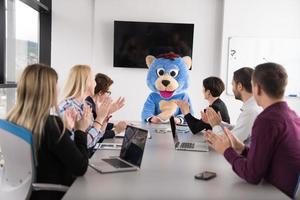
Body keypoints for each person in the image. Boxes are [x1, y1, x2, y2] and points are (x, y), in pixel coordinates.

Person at [205, 63, 300, 198]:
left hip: (273, 194)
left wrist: (226, 151)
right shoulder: (292, 116)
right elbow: (265, 158)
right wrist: (242, 149)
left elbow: (252, 175)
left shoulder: (266, 120)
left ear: (257, 88)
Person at [6, 64, 90, 200]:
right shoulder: (50, 124)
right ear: (47, 91)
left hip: (27, 192)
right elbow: (80, 167)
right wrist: (81, 130)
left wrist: (66, 131)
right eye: (56, 85)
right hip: (54, 192)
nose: (58, 90)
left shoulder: (11, 120)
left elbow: (50, 150)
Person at [59, 65, 113, 150]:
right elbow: (83, 143)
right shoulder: (69, 107)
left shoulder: (85, 105)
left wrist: (104, 117)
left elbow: (96, 137)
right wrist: (99, 119)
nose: (96, 84)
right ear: (87, 82)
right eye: (93, 80)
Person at [205, 67, 261, 144]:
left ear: (239, 86)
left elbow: (229, 143)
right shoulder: (253, 107)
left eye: (233, 85)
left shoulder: (250, 112)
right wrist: (219, 123)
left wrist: (215, 126)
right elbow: (238, 129)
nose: (232, 88)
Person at [85, 73, 127, 142]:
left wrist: (114, 125)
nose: (108, 96)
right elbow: (96, 135)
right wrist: (116, 131)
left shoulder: (92, 103)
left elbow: (98, 124)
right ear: (101, 92)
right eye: (108, 92)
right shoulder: (89, 106)